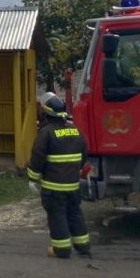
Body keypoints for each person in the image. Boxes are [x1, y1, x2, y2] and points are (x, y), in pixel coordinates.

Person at [27, 93, 91, 259]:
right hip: (73, 185)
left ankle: (61, 249)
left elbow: (37, 157)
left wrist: (33, 179)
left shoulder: (46, 133)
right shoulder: (76, 130)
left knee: (57, 216)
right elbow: (84, 154)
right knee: (75, 213)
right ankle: (83, 246)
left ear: (47, 114)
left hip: (53, 187)